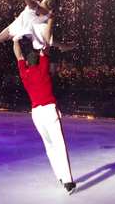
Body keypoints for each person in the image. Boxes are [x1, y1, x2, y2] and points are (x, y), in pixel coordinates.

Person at [13, 28, 76, 195]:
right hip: (49, 110)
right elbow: (46, 45)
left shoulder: (24, 74)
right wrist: (46, 27)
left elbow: (18, 55)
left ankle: (61, 177)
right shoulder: (43, 70)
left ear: (27, 63)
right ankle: (68, 181)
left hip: (36, 114)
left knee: (49, 147)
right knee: (59, 145)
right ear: (38, 62)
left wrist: (15, 39)